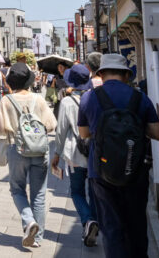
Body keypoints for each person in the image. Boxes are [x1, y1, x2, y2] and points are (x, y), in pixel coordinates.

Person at [78, 54, 159, 258]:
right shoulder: (140, 98)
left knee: (111, 227)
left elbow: (84, 133)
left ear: (101, 74)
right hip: (134, 170)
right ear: (127, 74)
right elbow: (158, 133)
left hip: (101, 172)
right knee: (136, 225)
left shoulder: (89, 97)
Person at [0, 62, 57, 249]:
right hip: (39, 149)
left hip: (16, 148)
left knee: (17, 189)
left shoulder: (6, 100)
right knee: (38, 195)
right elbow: (51, 124)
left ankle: (29, 221)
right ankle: (37, 239)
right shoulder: (38, 99)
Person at [51, 64, 98, 247]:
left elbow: (61, 130)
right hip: (94, 150)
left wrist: (56, 154)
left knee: (77, 191)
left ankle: (87, 221)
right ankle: (93, 221)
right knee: (94, 191)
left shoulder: (67, 102)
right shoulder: (96, 98)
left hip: (75, 152)